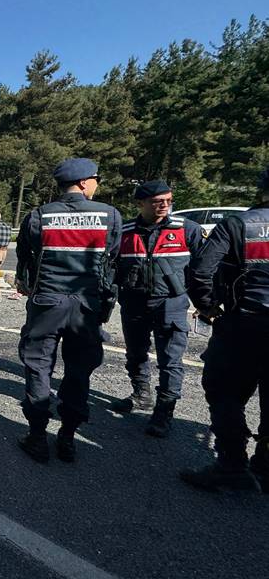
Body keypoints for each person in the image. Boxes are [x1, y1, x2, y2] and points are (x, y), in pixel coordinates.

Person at [15, 158, 122, 463]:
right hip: (87, 305)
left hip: (48, 302)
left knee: (38, 366)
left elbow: (25, 257)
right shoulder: (109, 215)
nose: (97, 184)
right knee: (78, 371)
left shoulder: (39, 216)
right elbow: (112, 259)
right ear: (85, 182)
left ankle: (37, 436)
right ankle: (68, 438)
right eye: (96, 179)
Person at [179, 167, 269, 494]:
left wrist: (206, 307)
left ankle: (231, 463)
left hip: (244, 324)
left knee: (222, 389)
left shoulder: (238, 224)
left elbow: (200, 271)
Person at [108, 180, 204, 437]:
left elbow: (205, 269)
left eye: (169, 201)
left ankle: (164, 412)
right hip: (134, 303)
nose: (164, 206)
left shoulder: (187, 230)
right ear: (140, 204)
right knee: (135, 353)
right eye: (157, 202)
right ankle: (141, 396)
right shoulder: (125, 231)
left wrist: (205, 303)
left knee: (170, 360)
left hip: (171, 305)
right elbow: (111, 269)